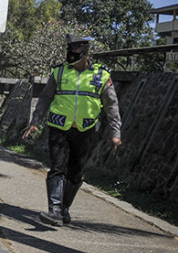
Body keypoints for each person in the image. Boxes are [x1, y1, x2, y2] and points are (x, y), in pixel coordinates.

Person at [22, 34, 122, 226]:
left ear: (85, 54)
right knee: (57, 167)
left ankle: (64, 209)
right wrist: (35, 121)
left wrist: (116, 133)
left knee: (76, 172)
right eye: (69, 50)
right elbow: (44, 98)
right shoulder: (59, 73)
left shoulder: (101, 76)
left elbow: (112, 107)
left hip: (85, 131)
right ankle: (55, 211)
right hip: (59, 128)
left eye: (74, 51)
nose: (70, 54)